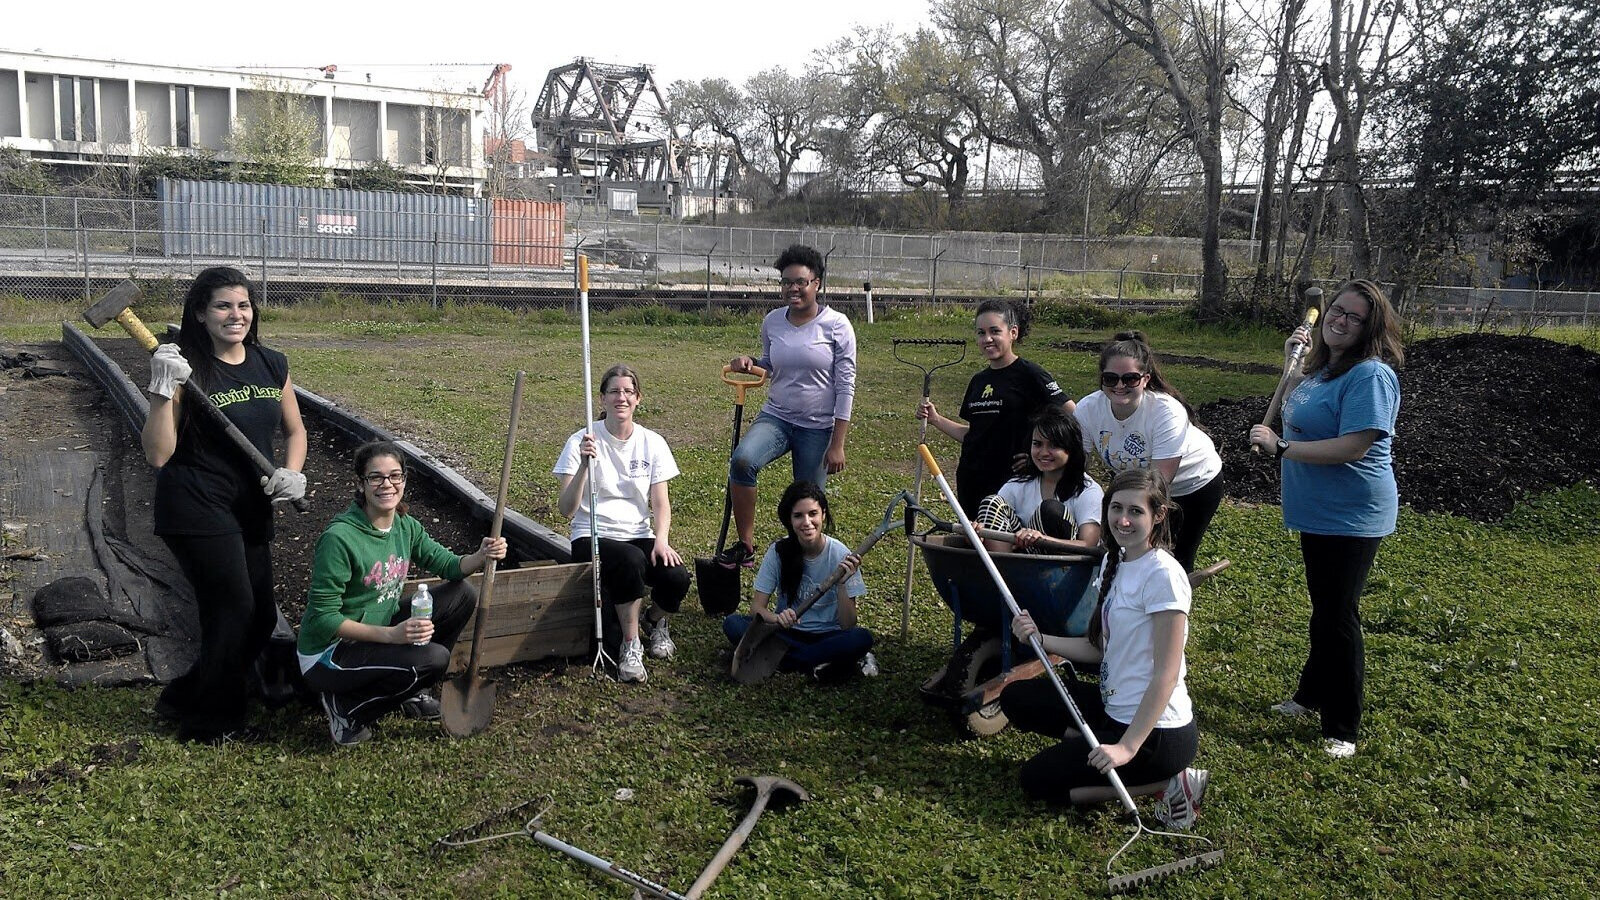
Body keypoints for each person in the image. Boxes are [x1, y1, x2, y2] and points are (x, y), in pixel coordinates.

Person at [140, 266, 307, 745]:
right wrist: (160, 392)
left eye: (243, 306)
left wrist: (292, 471)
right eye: (223, 306)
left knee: (258, 617)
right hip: (194, 503)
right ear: (200, 312)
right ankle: (213, 723)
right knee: (231, 607)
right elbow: (158, 453)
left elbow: (294, 431)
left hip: (250, 504)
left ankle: (185, 694)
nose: (236, 315)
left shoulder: (271, 362)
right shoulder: (185, 369)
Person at [998, 469, 1207, 829]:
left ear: (1158, 515)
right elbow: (1099, 651)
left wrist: (1126, 747)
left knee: (1035, 780)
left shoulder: (1163, 576)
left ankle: (1168, 781)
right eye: (1116, 508)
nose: (1122, 520)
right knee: (1018, 698)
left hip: (1155, 734)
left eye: (1136, 512)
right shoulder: (1116, 560)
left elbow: (1167, 674)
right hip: (1114, 710)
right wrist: (1040, 638)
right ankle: (1096, 753)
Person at [1248, 279, 1403, 759]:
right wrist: (1289, 360)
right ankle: (1310, 696)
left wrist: (1283, 448)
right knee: (1326, 608)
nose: (1338, 320)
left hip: (1352, 513)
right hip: (1317, 511)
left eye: (1352, 316)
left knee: (1339, 616)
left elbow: (1356, 444)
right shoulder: (1328, 369)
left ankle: (1343, 725)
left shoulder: (1371, 376)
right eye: (1336, 310)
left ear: (1370, 327)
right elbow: (1296, 397)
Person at [298, 441, 507, 747]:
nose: (387, 484)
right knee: (434, 658)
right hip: (330, 653)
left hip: (377, 630)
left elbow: (448, 565)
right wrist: (393, 636)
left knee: (462, 595)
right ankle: (347, 710)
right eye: (376, 477)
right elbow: (324, 618)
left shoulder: (404, 526)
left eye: (395, 476)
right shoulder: (340, 538)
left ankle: (411, 688)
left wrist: (481, 554)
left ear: (404, 480)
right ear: (361, 484)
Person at [717, 244, 857, 569]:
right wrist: (750, 362)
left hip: (818, 428)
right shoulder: (773, 322)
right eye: (786, 282)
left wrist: (838, 444)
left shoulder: (837, 326)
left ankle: (807, 563)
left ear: (817, 284)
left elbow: (845, 385)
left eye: (801, 281)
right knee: (742, 461)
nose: (793, 288)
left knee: (806, 501)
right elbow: (769, 363)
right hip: (777, 417)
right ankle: (746, 546)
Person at [554, 364, 691, 684]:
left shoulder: (652, 442)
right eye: (614, 391)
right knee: (631, 562)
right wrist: (585, 467)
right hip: (592, 533)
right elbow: (566, 509)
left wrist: (661, 539)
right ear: (601, 399)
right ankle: (632, 646)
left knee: (676, 576)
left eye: (628, 391)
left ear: (638, 399)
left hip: (638, 533)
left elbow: (660, 502)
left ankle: (655, 620)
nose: (622, 397)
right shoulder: (581, 440)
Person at [1074, 331, 1223, 573]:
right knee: (1123, 549)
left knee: (1170, 557)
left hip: (1193, 485)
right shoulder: (1088, 409)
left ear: (1145, 379)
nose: (1120, 386)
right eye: (1111, 379)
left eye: (1130, 379)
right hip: (1134, 479)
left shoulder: (1166, 412)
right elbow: (1075, 468)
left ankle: (1171, 605)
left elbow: (1159, 482)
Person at [918, 299, 1072, 518]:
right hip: (972, 480)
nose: (987, 339)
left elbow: (1073, 414)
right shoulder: (978, 381)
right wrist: (935, 419)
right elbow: (974, 435)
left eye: (994, 331)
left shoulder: (1030, 375)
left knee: (1004, 545)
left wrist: (1039, 455)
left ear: (1013, 333)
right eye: (981, 333)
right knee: (975, 543)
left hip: (1011, 482)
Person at [721, 481, 872, 681]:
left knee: (861, 638)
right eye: (798, 516)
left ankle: (784, 662)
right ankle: (816, 664)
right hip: (785, 635)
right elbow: (757, 608)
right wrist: (777, 618)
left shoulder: (841, 555)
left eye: (813, 514)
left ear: (823, 515)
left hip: (827, 636)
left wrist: (843, 584)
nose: (807, 522)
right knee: (733, 624)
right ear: (789, 520)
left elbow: (848, 624)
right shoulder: (778, 552)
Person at [974, 407, 1103, 554]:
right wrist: (977, 534)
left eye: (1054, 445)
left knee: (1050, 510)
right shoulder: (1017, 484)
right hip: (1016, 559)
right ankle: (1002, 569)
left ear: (1071, 448)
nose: (1043, 453)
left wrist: (1042, 540)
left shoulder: (1088, 490)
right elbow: (993, 522)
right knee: (992, 503)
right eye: (1037, 444)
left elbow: (1089, 545)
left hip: (1063, 567)